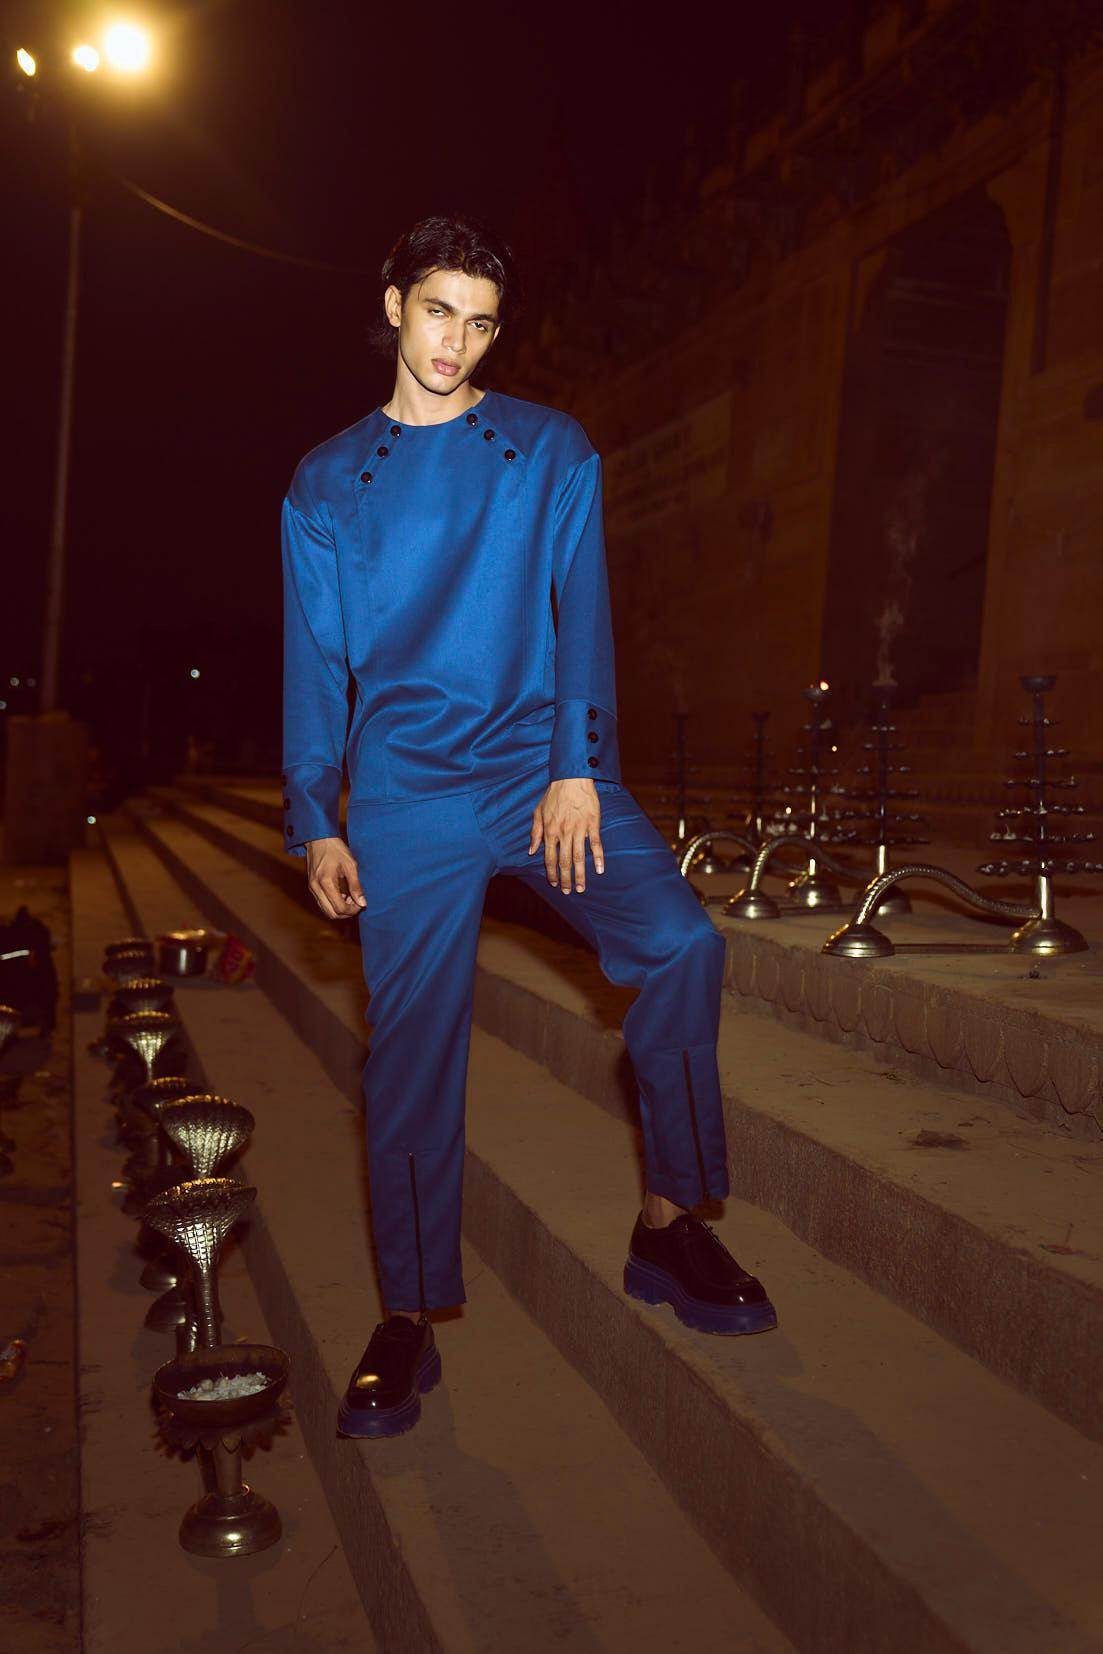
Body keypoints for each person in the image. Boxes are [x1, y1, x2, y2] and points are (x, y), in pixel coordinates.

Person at [280, 213, 777, 1440]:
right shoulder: (325, 481)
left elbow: (581, 609)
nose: (456, 341)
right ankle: (407, 1317)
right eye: (437, 311)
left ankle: (669, 1225)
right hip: (402, 792)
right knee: (410, 1053)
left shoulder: (547, 447)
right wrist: (313, 817)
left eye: (481, 322)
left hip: (533, 771)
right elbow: (316, 661)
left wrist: (575, 766)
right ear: (393, 305)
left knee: (681, 944)